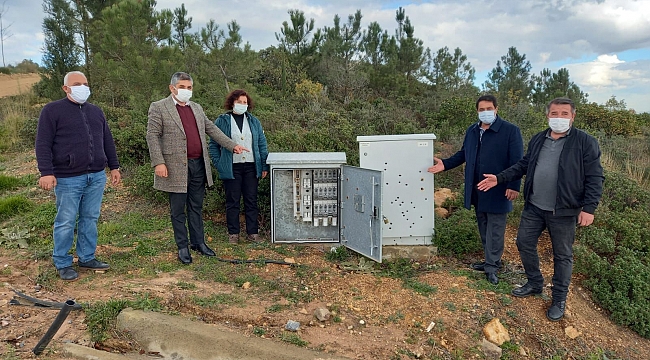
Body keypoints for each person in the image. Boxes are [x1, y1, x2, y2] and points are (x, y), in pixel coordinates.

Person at [477, 97, 604, 321]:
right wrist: (499, 178)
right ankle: (535, 283)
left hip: (564, 210)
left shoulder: (585, 142)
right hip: (534, 206)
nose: (559, 118)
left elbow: (595, 177)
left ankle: (559, 299)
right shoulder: (538, 139)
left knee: (562, 255)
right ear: (547, 115)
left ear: (573, 116)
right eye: (555, 113)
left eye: (564, 114)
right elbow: (523, 165)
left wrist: (589, 208)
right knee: (523, 242)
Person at [146, 72, 249, 264]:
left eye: (189, 87)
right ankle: (182, 247)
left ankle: (198, 242)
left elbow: (211, 129)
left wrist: (232, 145)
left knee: (196, 206)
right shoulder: (159, 107)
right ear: (172, 88)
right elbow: (152, 136)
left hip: (198, 165)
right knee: (178, 209)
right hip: (174, 166)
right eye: (183, 87)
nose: (187, 91)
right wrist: (158, 162)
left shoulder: (197, 108)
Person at [428, 94, 523, 285]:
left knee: (495, 228)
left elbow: (518, 162)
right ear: (477, 111)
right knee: (483, 225)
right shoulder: (472, 130)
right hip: (477, 188)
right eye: (482, 109)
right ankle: (489, 260)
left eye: (489, 109)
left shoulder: (510, 131)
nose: (485, 112)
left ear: (496, 109)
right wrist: (445, 164)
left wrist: (513, 186)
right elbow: (464, 153)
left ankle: (492, 267)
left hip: (498, 187)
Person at [35, 71, 121, 281]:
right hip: (67, 178)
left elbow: (106, 140)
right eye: (77, 84)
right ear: (66, 88)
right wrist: (46, 172)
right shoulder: (52, 110)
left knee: (90, 218)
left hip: (96, 176)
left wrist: (115, 166)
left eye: (85, 83)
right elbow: (43, 143)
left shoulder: (96, 111)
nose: (82, 87)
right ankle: (63, 262)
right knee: (65, 220)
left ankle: (86, 257)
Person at [209, 90, 269, 244]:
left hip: (251, 166)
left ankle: (253, 233)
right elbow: (214, 145)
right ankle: (233, 234)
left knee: (251, 200)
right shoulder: (222, 120)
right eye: (239, 101)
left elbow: (262, 144)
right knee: (232, 201)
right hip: (231, 167)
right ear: (232, 102)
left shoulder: (254, 121)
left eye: (245, 102)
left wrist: (263, 165)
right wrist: (219, 163)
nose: (242, 104)